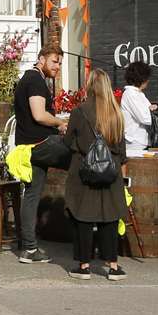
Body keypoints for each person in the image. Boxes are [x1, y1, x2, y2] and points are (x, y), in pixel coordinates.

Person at [61, 68, 129, 280]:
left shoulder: (80, 111)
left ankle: (83, 266)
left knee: (83, 216)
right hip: (111, 172)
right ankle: (113, 266)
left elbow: (67, 142)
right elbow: (122, 150)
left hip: (85, 171)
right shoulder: (116, 113)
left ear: (89, 86)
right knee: (109, 217)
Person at [13, 43, 70, 265]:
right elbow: (39, 115)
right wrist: (61, 123)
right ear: (42, 59)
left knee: (32, 194)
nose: (57, 67)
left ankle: (29, 249)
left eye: (60, 63)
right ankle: (89, 236)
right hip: (41, 143)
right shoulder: (35, 80)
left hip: (27, 146)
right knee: (82, 161)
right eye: (55, 61)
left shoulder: (28, 79)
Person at [120, 60, 158, 157]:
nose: (148, 80)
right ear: (141, 78)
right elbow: (144, 118)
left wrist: (152, 108)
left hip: (140, 140)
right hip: (134, 142)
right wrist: (151, 110)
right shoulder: (130, 94)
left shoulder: (139, 94)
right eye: (147, 77)